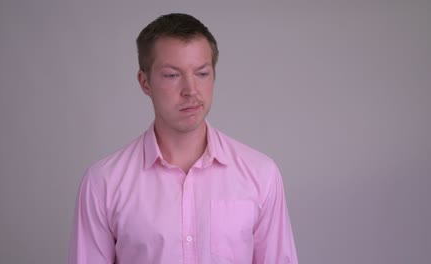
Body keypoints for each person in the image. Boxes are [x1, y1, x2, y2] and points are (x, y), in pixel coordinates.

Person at [69, 13, 298, 264]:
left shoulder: (261, 174)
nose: (191, 90)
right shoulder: (104, 183)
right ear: (145, 83)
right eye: (172, 75)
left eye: (201, 73)